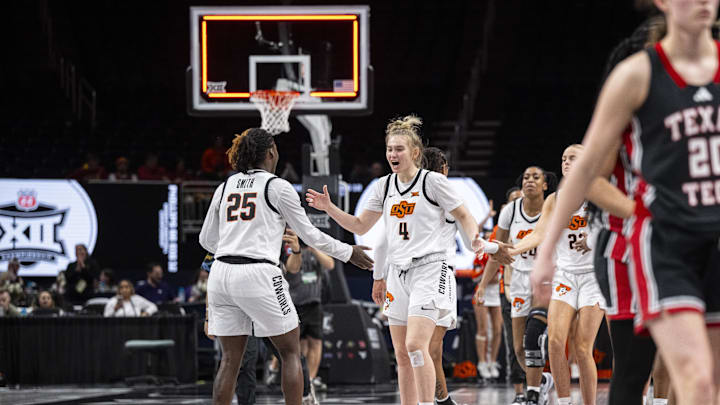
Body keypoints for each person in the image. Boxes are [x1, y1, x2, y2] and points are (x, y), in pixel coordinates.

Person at [531, 1, 720, 403]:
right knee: (672, 373)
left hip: (712, 237)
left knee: (708, 384)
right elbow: (587, 175)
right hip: (653, 242)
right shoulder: (636, 77)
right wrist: (546, 251)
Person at [306, 115, 512, 405]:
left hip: (431, 269)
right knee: (402, 354)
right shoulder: (383, 185)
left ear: (415, 153)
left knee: (418, 346)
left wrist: (477, 239)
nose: (393, 154)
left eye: (399, 149)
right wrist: (329, 209)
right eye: (390, 148)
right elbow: (361, 227)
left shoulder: (433, 181)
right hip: (397, 274)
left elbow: (465, 215)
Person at [199, 128, 373, 405]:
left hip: (220, 274)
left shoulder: (225, 186)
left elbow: (206, 239)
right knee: (291, 351)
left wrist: (237, 239)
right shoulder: (277, 186)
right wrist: (348, 251)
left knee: (230, 360)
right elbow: (310, 235)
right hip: (258, 272)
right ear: (270, 152)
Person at [508, 146, 606, 405]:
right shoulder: (554, 199)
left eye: (573, 158)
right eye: (563, 159)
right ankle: (563, 402)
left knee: (583, 347)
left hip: (593, 276)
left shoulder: (599, 193)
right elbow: (540, 234)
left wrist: (594, 238)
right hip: (565, 275)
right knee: (553, 341)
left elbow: (617, 226)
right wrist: (513, 249)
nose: (566, 162)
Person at [475, 166, 556, 405]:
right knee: (520, 349)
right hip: (519, 278)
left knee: (535, 337)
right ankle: (541, 382)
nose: (529, 180)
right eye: (526, 178)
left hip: (547, 277)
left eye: (535, 177)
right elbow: (497, 250)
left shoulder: (553, 208)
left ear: (545, 185)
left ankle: (534, 393)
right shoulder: (510, 211)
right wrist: (482, 284)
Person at [283, 228, 332, 393]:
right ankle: (300, 377)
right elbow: (290, 268)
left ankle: (311, 379)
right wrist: (297, 248)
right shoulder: (289, 250)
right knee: (298, 345)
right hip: (295, 303)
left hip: (313, 303)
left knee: (316, 342)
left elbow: (330, 264)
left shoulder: (315, 253)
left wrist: (314, 247)